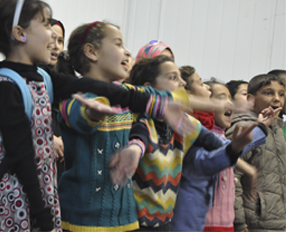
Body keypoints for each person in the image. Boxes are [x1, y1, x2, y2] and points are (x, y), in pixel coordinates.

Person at [0, 2, 194, 231]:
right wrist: (42, 214)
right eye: (44, 23)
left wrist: (154, 101)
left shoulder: (44, 77)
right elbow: (21, 157)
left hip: (44, 197)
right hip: (17, 202)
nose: (53, 32)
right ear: (19, 33)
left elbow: (101, 88)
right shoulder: (7, 85)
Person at [55, 21, 196, 232]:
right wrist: (94, 111)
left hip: (126, 219)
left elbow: (141, 123)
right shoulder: (74, 98)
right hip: (82, 220)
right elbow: (81, 119)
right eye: (118, 44)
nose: (127, 51)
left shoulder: (127, 93)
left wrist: (135, 147)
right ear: (92, 52)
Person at [109, 56, 275, 231]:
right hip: (132, 221)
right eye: (173, 77)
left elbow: (217, 146)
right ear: (149, 88)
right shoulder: (137, 119)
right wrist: (135, 149)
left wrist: (240, 153)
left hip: (164, 222)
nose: (182, 83)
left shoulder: (184, 122)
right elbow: (140, 135)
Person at [225, 73, 286, 232]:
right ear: (251, 98)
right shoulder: (245, 128)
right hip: (255, 222)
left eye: (281, 94)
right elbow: (232, 178)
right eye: (268, 92)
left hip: (279, 220)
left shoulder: (279, 130)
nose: (276, 98)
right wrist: (239, 222)